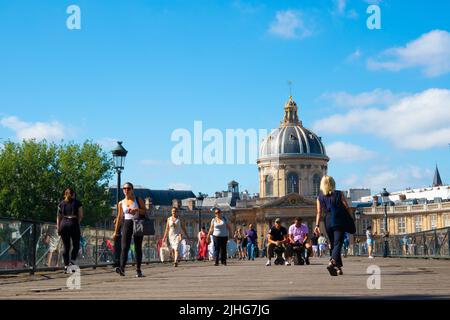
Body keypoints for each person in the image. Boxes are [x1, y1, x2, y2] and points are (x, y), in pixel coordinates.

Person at [315, 175, 352, 276]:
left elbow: (318, 212)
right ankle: (332, 262)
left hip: (327, 220)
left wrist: (317, 225)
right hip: (338, 219)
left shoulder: (319, 197)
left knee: (333, 243)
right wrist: (350, 217)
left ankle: (338, 268)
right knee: (338, 243)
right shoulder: (339, 194)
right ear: (333, 183)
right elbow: (346, 206)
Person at [113, 182, 146, 277]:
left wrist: (136, 210)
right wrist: (115, 232)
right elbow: (119, 217)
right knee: (124, 247)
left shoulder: (137, 199)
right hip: (127, 223)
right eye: (124, 188)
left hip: (137, 222)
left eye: (128, 188)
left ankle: (138, 270)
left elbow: (144, 211)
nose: (126, 190)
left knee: (138, 247)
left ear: (132, 190)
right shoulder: (121, 203)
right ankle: (122, 268)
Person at [57, 188, 83, 274]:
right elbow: (81, 215)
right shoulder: (77, 203)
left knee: (66, 247)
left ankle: (65, 266)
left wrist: (58, 227)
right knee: (76, 245)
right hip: (73, 223)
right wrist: (77, 223)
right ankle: (72, 262)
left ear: (65, 194)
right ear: (73, 194)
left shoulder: (61, 203)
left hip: (63, 224)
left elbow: (58, 217)